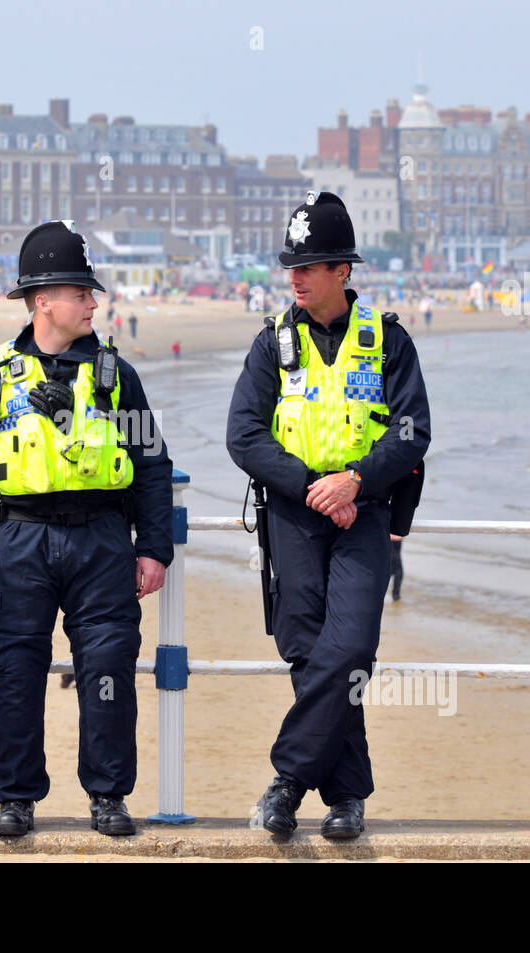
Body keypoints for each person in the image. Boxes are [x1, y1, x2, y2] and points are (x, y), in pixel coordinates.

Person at [0, 220, 173, 839]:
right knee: (12, 669)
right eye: (81, 292)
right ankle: (15, 800)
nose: (94, 302)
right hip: (20, 540)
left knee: (109, 667)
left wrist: (154, 549)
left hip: (102, 540)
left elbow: (150, 463)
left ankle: (108, 797)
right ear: (43, 301)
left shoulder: (118, 377)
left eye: (92, 293)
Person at [227, 192, 431, 841]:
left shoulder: (387, 341)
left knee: (349, 649)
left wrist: (355, 481)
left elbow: (411, 431)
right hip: (292, 517)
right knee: (307, 652)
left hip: (363, 516)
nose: (296, 275)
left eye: (310, 265)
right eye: (292, 264)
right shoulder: (271, 344)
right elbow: (244, 434)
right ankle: (345, 798)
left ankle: (286, 781)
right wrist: (314, 483)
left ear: (343, 270)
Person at [389, 534, 404, 602]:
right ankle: (396, 596)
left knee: (397, 571)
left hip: (395, 539)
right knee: (398, 571)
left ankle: (396, 596)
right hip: (392, 540)